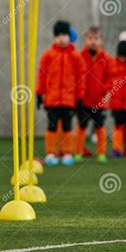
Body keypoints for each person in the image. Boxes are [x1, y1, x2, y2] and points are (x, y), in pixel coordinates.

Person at [36, 20, 86, 166]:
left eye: (64, 34)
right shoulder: (48, 56)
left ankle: (67, 154)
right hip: (51, 99)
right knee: (51, 126)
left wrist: (80, 98)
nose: (61, 38)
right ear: (54, 37)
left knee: (67, 127)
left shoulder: (76, 57)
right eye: (58, 35)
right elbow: (42, 76)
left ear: (69, 37)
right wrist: (40, 94)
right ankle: (50, 153)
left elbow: (81, 79)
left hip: (69, 101)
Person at [74, 26, 112, 164]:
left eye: (96, 38)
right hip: (83, 101)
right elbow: (75, 77)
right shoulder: (79, 56)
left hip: (100, 101)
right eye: (90, 38)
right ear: (85, 40)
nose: (93, 42)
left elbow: (111, 78)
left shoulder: (107, 59)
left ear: (101, 41)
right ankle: (78, 152)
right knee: (81, 126)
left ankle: (101, 154)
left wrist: (104, 89)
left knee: (100, 127)